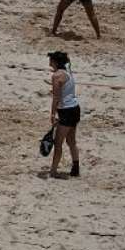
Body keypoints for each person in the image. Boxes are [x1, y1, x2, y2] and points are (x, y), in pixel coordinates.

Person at [47, 51, 80, 179]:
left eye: (51, 60)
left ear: (55, 62)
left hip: (65, 110)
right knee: (71, 141)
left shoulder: (56, 76)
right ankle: (75, 167)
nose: (49, 62)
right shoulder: (68, 72)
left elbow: (56, 97)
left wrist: (52, 114)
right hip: (75, 108)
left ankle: (53, 171)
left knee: (58, 143)